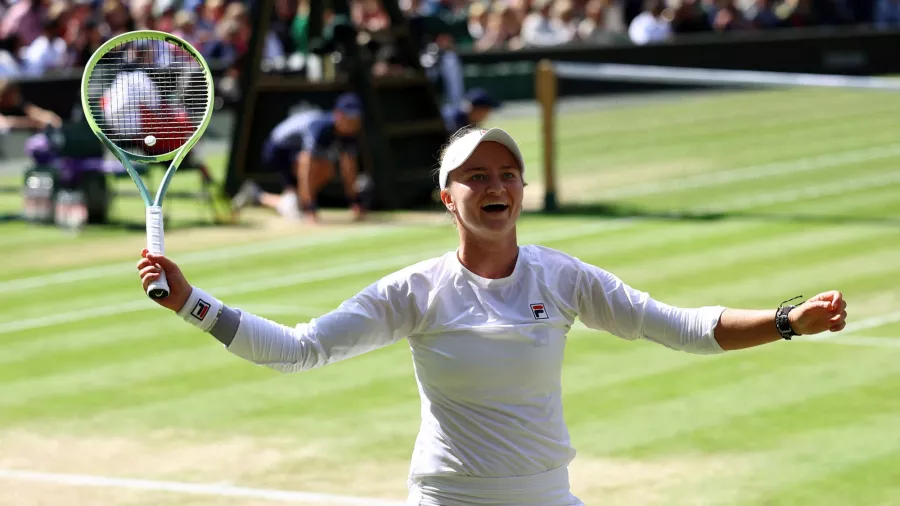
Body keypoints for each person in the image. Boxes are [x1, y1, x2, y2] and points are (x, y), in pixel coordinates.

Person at [137, 125, 849, 505]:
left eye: (507, 173)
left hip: (547, 498)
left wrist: (787, 321)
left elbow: (685, 328)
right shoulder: (413, 291)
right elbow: (299, 349)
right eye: (476, 175)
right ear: (448, 198)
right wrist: (194, 304)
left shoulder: (562, 277)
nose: (496, 184)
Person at [230, 92, 365, 223]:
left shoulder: (349, 134)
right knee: (322, 166)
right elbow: (306, 166)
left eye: (355, 118)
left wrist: (354, 201)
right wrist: (309, 207)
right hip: (278, 150)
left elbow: (349, 167)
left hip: (293, 153)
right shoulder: (320, 128)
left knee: (325, 171)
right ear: (338, 115)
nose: (353, 122)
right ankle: (298, 204)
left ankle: (257, 196)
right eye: (349, 118)